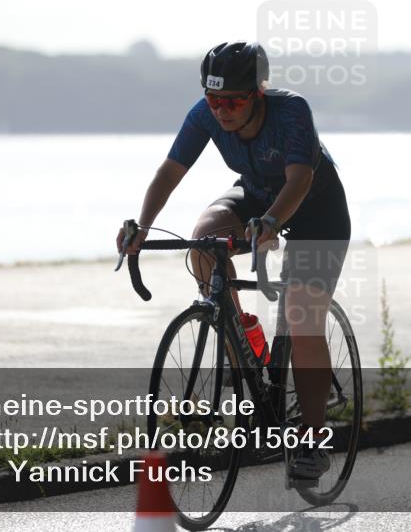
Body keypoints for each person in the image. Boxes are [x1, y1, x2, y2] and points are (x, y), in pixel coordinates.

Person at [117, 41, 350, 480]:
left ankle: (314, 441)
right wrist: (142, 226)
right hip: (258, 195)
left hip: (315, 208)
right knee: (204, 241)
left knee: (302, 320)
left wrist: (271, 223)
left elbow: (300, 178)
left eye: (232, 101)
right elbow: (169, 173)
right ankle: (243, 337)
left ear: (257, 94)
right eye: (213, 98)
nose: (220, 110)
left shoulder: (292, 111)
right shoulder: (204, 115)